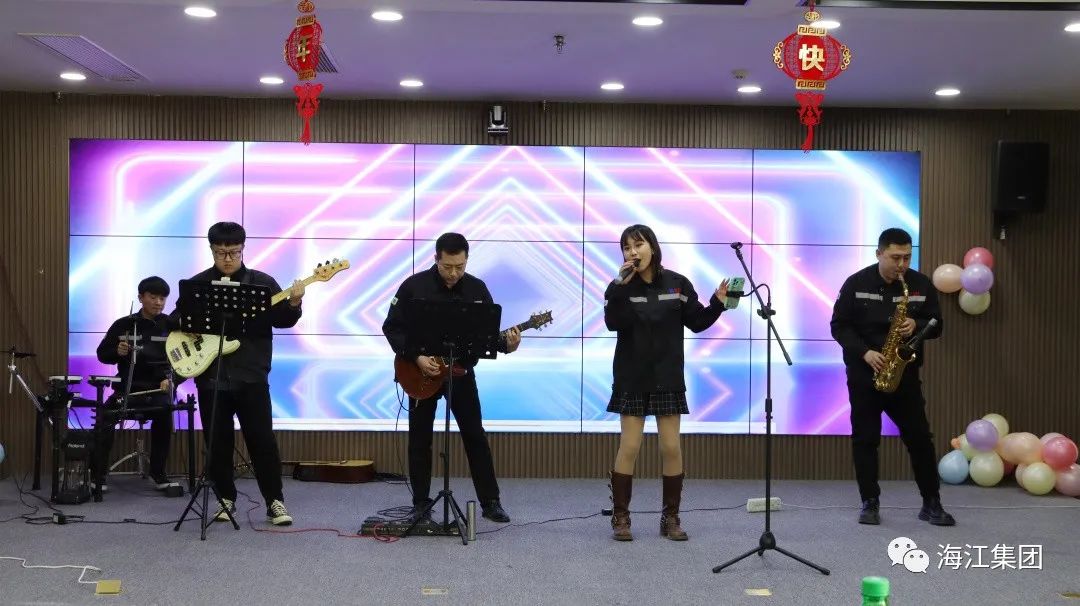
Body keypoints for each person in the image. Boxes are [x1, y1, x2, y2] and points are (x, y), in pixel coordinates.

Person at [382, 233, 521, 524]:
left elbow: (487, 338)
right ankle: (421, 503)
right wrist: (417, 357)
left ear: (467, 260)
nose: (454, 273)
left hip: (460, 373)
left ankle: (491, 502)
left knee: (475, 435)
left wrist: (507, 345)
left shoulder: (477, 289)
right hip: (420, 372)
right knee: (420, 438)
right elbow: (392, 327)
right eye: (448, 267)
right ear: (436, 259)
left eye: (460, 266)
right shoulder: (413, 286)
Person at [174, 221, 305, 526]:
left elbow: (283, 321)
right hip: (211, 375)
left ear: (243, 249)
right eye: (221, 253)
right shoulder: (198, 285)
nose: (228, 259)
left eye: (234, 252)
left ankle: (274, 502)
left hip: (251, 374)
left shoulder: (263, 283)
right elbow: (175, 318)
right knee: (217, 442)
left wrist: (294, 302)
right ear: (211, 250)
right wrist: (187, 325)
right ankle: (225, 499)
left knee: (262, 441)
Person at [604, 224, 729, 541]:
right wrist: (620, 286)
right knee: (630, 446)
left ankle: (670, 517)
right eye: (627, 247)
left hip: (667, 376)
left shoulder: (677, 284)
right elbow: (612, 323)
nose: (633, 252)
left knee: (671, 447)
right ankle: (621, 517)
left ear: (652, 247)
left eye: (638, 245)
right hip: (632, 376)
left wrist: (718, 302)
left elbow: (697, 321)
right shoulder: (619, 287)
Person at [830, 227, 955, 526]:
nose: (902, 264)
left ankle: (932, 502)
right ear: (879, 254)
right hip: (865, 373)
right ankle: (869, 502)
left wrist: (917, 324)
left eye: (907, 257)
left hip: (904, 375)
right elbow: (839, 326)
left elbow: (937, 324)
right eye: (895, 257)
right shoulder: (856, 283)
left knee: (920, 439)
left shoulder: (920, 284)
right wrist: (865, 352)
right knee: (865, 439)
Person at [94, 276, 182, 494]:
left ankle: (158, 473)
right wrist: (117, 351)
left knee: (164, 414)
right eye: (153, 297)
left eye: (162, 298)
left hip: (158, 388)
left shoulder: (171, 326)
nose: (158, 303)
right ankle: (97, 475)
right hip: (128, 389)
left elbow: (186, 360)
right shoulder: (123, 324)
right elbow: (102, 354)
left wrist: (172, 379)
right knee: (105, 417)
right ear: (141, 297)